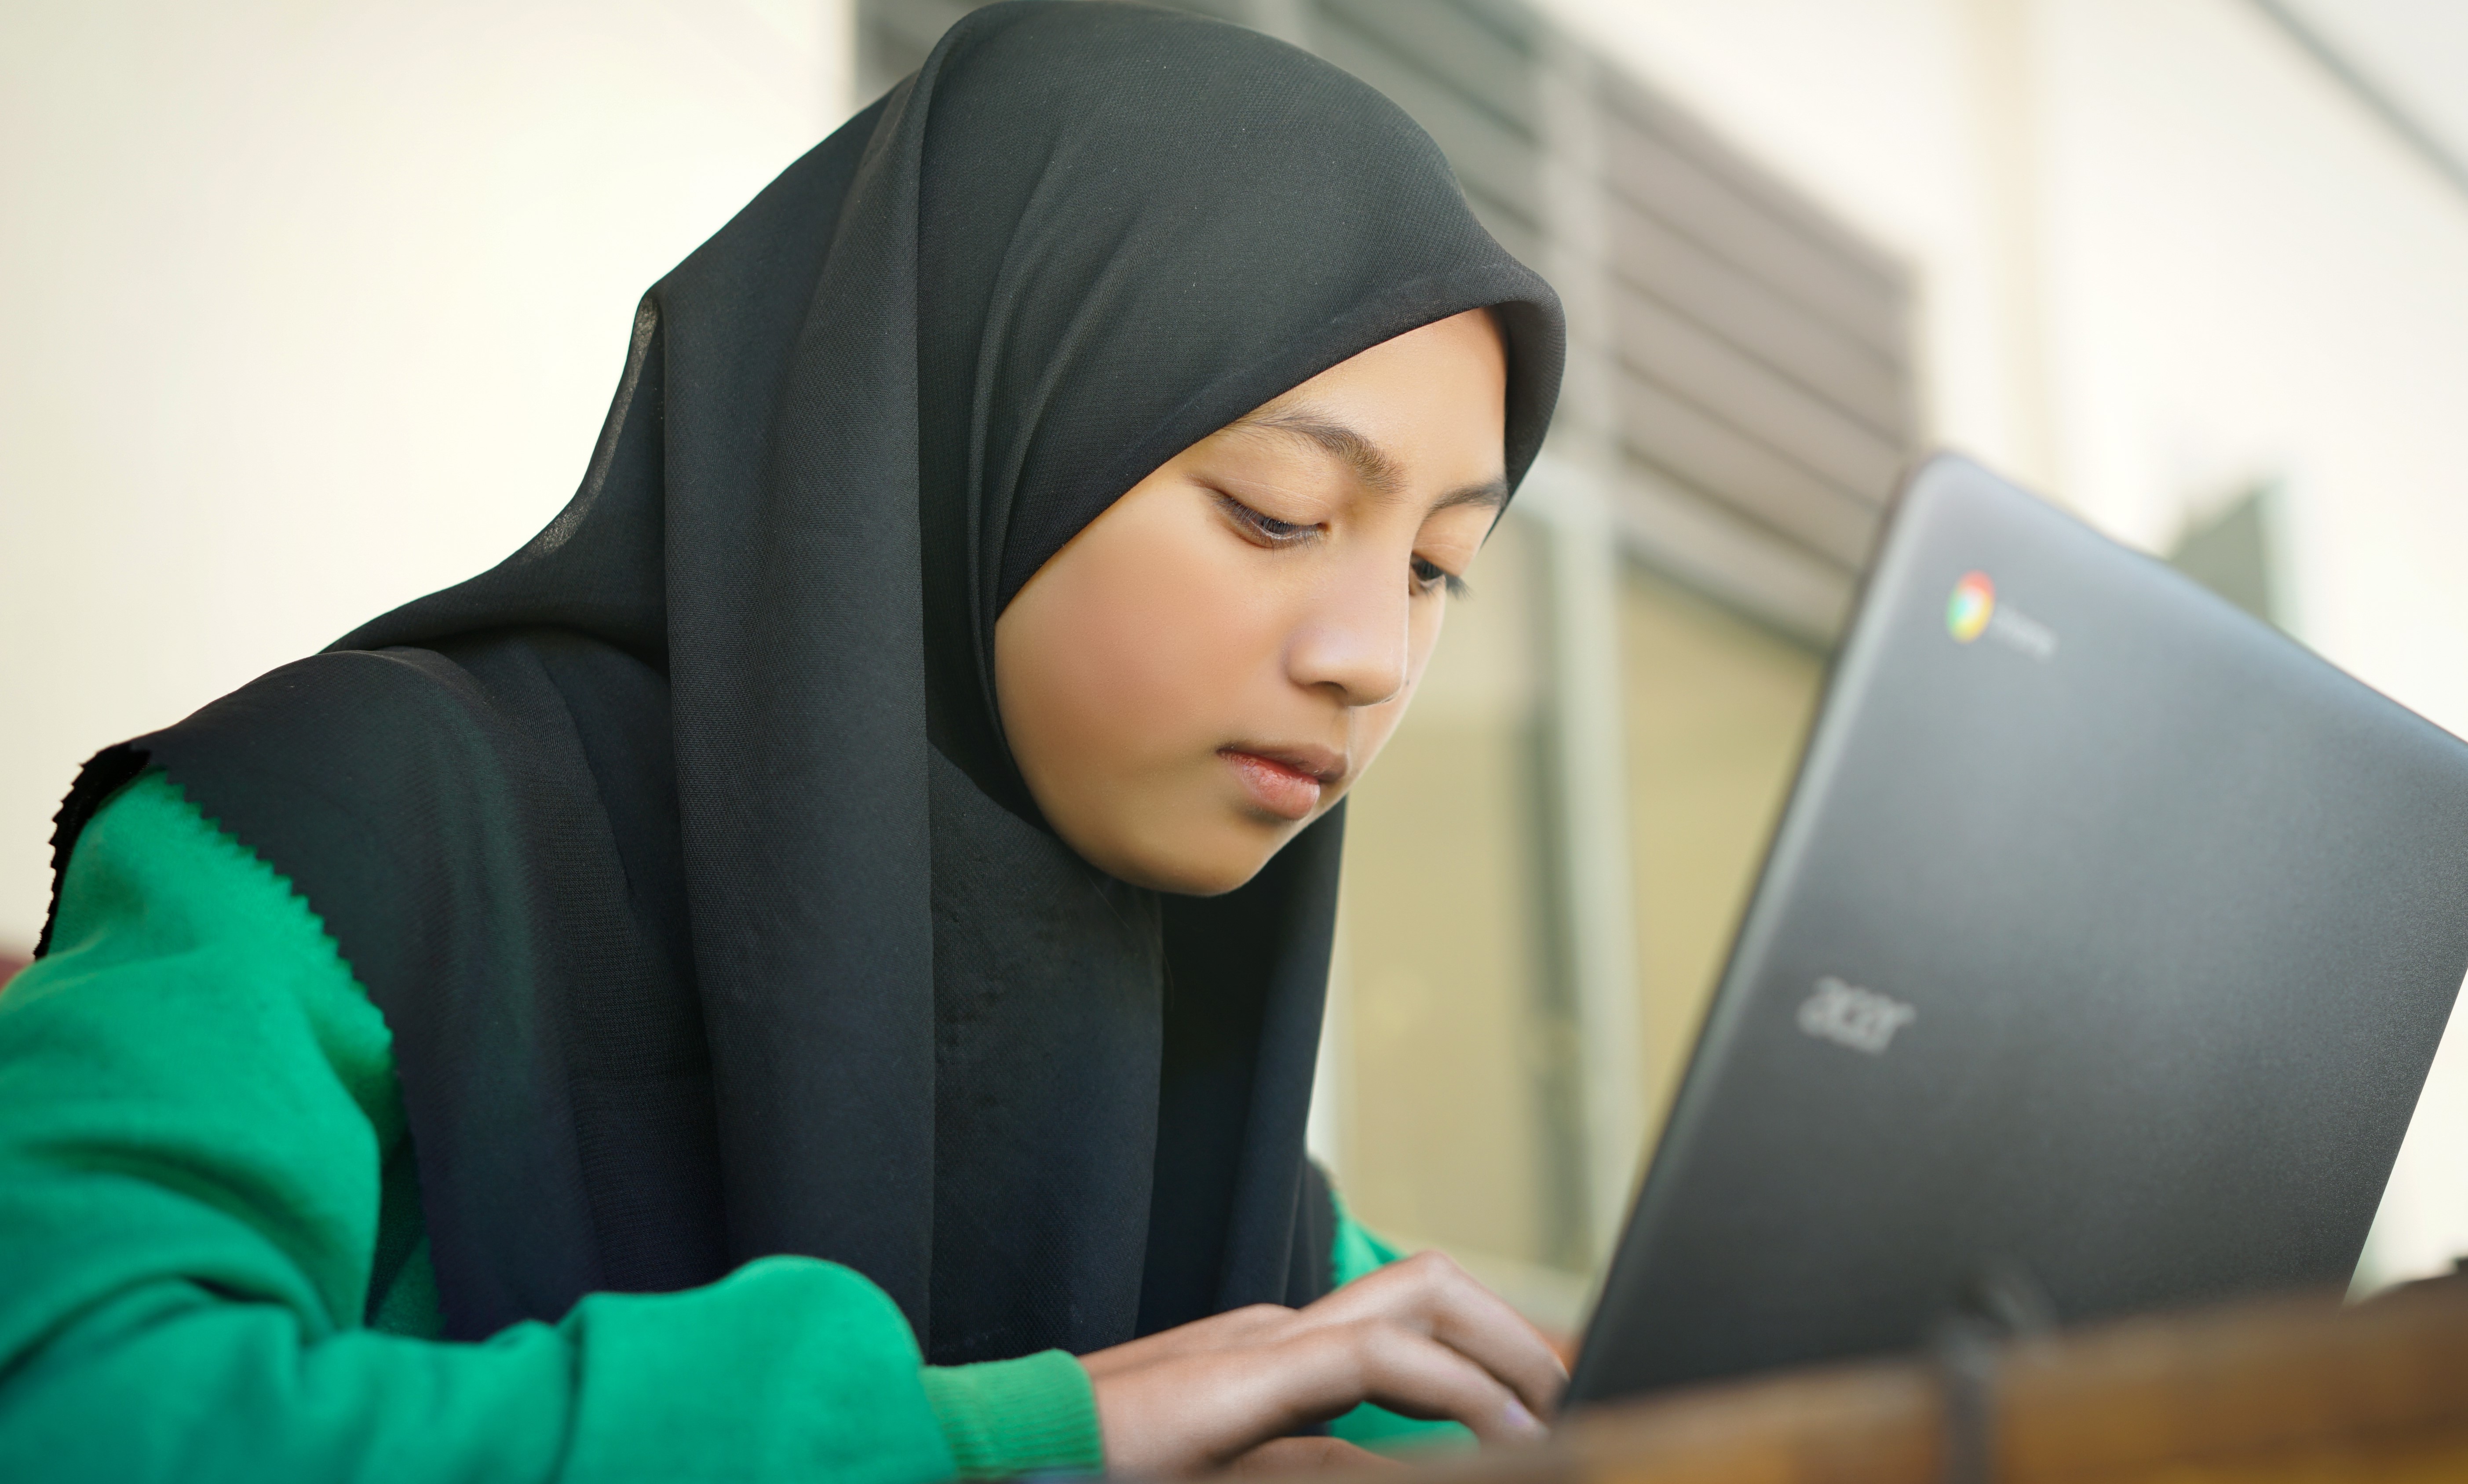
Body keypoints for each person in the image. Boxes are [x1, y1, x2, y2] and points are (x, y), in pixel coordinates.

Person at [0, 4, 1570, 1478]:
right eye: (1276, 512)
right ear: (977, 422)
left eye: (1437, 568)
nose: (1374, 658)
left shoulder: (1211, 1111)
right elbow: (75, 1408)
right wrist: (1008, 1432)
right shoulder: (350, 833)